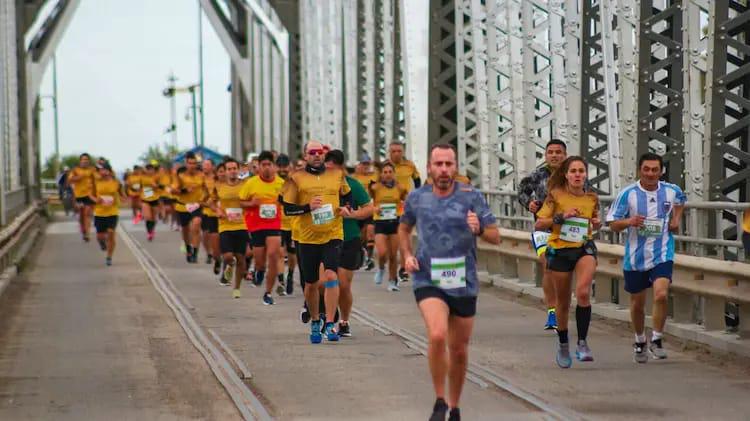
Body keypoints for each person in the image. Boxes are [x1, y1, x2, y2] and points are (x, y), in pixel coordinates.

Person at [398, 143, 499, 421]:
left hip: (463, 280)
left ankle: (454, 406)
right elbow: (403, 227)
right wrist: (407, 254)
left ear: (455, 167)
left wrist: (479, 228)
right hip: (428, 276)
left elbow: (495, 235)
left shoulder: (472, 196)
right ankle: (440, 400)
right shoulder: (417, 198)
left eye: (449, 164)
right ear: (429, 167)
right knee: (437, 334)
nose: (444, 169)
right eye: (438, 164)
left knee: (459, 350)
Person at [606, 153, 685, 362]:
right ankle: (640, 340)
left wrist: (676, 219)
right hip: (635, 256)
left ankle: (657, 339)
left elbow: (681, 201)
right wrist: (630, 221)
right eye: (646, 169)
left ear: (661, 171)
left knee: (660, 294)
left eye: (655, 170)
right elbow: (612, 223)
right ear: (639, 170)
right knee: (637, 304)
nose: (650, 174)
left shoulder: (671, 190)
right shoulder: (628, 194)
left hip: (662, 252)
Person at [281, 140, 352, 343]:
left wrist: (346, 207)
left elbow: (348, 196)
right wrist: (307, 207)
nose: (317, 155)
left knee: (331, 275)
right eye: (312, 152)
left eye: (320, 152)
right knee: (311, 284)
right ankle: (314, 320)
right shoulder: (296, 178)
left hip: (333, 233)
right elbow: (288, 209)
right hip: (307, 237)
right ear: (305, 156)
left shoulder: (337, 175)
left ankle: (330, 323)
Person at [535, 156, 601, 368]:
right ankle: (564, 343)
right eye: (573, 171)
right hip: (560, 250)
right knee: (563, 303)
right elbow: (539, 224)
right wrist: (561, 216)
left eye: (581, 171)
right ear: (566, 174)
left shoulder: (592, 198)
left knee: (582, 292)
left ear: (586, 174)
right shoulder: (555, 196)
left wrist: (597, 224)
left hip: (584, 247)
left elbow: (594, 224)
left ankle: (582, 343)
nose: (577, 175)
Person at [517, 139, 569, 330]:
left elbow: (589, 195)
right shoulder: (537, 175)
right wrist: (528, 203)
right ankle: (552, 312)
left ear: (565, 155)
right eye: (551, 152)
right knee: (548, 266)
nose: (554, 155)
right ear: (546, 155)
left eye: (558, 152)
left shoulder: (573, 173)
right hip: (543, 228)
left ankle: (564, 305)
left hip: (568, 229)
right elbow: (522, 191)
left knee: (564, 272)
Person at [325, 150, 373, 337]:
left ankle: (343, 320)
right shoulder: (318, 187)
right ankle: (327, 315)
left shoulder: (353, 185)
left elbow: (369, 208)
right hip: (324, 238)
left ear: (341, 168)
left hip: (349, 238)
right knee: (325, 282)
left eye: (332, 169)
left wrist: (352, 214)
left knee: (343, 285)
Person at [240, 151, 286, 305]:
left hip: (274, 224)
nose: (267, 168)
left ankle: (268, 292)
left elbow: (289, 201)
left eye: (270, 165)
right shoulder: (251, 183)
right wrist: (252, 204)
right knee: (260, 260)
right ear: (258, 167)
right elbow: (241, 203)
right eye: (263, 165)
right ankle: (259, 271)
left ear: (275, 167)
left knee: (273, 255)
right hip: (256, 226)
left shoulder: (281, 184)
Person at [210, 159, 249, 296]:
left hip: (242, 224)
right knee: (227, 256)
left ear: (238, 170)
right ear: (225, 172)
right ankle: (229, 265)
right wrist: (218, 210)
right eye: (229, 169)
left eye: (234, 168)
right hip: (225, 225)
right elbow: (212, 202)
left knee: (240, 258)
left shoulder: (246, 184)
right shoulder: (219, 186)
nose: (232, 171)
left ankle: (237, 288)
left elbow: (252, 200)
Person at [370, 162, 409, 291]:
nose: (387, 175)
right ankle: (381, 269)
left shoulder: (400, 188)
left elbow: (406, 200)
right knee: (382, 253)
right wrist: (375, 208)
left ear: (394, 174)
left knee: (393, 255)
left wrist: (403, 209)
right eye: (385, 172)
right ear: (381, 174)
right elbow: (367, 203)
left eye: (390, 172)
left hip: (395, 221)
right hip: (380, 222)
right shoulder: (375, 188)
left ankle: (392, 281)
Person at [386, 141, 421, 283]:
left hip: (404, 206)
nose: (396, 154)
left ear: (403, 151)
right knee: (391, 241)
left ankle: (404, 268)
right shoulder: (384, 166)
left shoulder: (409, 165)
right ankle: (392, 265)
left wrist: (415, 197)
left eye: (399, 151)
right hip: (386, 207)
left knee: (404, 236)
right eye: (393, 151)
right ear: (389, 152)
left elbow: (417, 181)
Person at [172, 153, 207, 263]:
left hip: (196, 205)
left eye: (194, 163)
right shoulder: (180, 176)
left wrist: (203, 199)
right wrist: (184, 190)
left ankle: (195, 254)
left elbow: (207, 190)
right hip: (183, 206)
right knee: (186, 230)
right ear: (186, 164)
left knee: (196, 225)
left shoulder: (202, 175)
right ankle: (188, 249)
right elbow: (173, 190)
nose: (192, 166)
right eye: (190, 163)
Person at [90, 163, 125, 266]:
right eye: (100, 170)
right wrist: (96, 199)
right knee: (100, 236)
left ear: (109, 171)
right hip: (99, 212)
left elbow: (123, 195)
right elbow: (90, 194)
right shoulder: (96, 182)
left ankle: (109, 256)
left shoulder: (116, 183)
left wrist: (123, 199)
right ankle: (102, 243)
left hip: (112, 212)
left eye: (104, 170)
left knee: (111, 233)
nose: (102, 172)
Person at [276, 154, 297, 295]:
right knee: (279, 253)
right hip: (277, 224)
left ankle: (290, 274)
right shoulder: (273, 181)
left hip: (293, 224)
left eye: (285, 166)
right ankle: (281, 281)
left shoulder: (295, 181)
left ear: (290, 166)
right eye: (280, 167)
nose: (282, 169)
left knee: (291, 254)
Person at [353, 154, 378, 270]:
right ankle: (362, 253)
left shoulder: (375, 176)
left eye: (368, 164)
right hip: (357, 210)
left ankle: (370, 258)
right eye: (364, 164)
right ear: (359, 165)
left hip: (370, 209)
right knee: (361, 236)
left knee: (370, 231)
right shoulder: (354, 177)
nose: (366, 167)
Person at [67, 153, 97, 242]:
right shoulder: (75, 170)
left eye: (87, 159)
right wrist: (78, 177)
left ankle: (87, 233)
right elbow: (69, 180)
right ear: (80, 161)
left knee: (87, 213)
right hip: (79, 196)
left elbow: (97, 180)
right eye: (83, 159)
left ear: (89, 161)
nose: (85, 161)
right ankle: (83, 231)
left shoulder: (92, 170)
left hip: (89, 195)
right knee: (81, 215)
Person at [201, 160, 221, 274]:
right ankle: (212, 255)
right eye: (204, 165)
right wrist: (212, 205)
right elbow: (205, 199)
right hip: (210, 213)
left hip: (228, 218)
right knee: (207, 234)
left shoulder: (233, 183)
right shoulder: (203, 179)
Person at [137, 164, 161, 241]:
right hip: (145, 198)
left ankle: (152, 230)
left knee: (154, 218)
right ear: (146, 170)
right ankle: (149, 232)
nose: (150, 171)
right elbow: (139, 187)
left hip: (155, 198)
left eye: (152, 170)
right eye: (149, 170)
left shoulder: (157, 177)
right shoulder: (142, 177)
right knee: (147, 217)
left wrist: (156, 186)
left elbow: (162, 186)